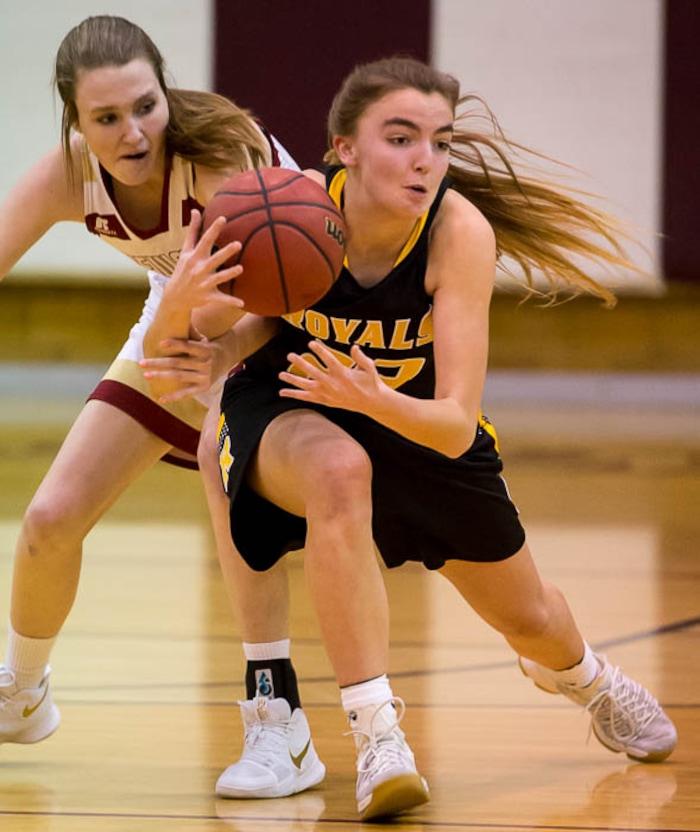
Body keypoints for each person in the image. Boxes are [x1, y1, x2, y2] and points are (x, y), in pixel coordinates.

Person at [142, 56, 678, 821]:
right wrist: (199, 318)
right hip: (296, 404)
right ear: (344, 147)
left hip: (419, 422)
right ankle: (377, 737)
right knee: (337, 468)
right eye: (400, 137)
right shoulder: (282, 210)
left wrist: (374, 396)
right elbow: (206, 346)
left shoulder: (458, 233)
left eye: (440, 141)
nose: (425, 158)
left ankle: (585, 676)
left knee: (531, 617)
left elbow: (457, 422)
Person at [0, 14, 325, 797]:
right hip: (186, 324)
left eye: (145, 105)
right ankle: (22, 691)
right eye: (106, 118)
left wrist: (180, 327)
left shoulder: (220, 160)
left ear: (165, 90)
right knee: (50, 519)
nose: (133, 131)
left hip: (284, 326)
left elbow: (236, 319)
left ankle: (278, 723)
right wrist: (175, 321)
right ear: (76, 123)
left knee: (229, 488)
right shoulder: (67, 175)